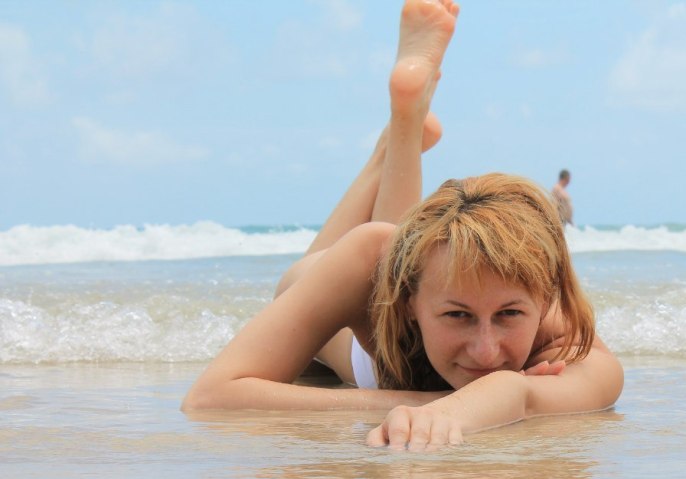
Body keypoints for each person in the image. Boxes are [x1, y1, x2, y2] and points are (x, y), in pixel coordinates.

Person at [181, 0, 624, 450]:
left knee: (403, 244)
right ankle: (398, 133)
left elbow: (526, 393)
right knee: (379, 244)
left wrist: (504, 394)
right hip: (332, 280)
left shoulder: (554, 313)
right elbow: (211, 397)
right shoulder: (371, 264)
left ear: (544, 296)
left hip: (406, 267)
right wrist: (424, 402)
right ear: (408, 302)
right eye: (458, 316)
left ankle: (396, 139)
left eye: (509, 315)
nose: (486, 351)